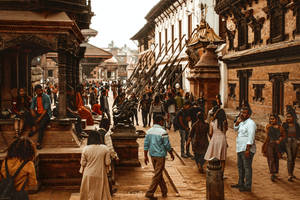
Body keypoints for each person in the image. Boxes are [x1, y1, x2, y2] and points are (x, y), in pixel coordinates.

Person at [144, 115, 174, 199]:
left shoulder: (149, 131)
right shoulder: (163, 132)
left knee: (158, 173)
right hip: (160, 155)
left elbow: (146, 145)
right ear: (160, 122)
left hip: (152, 155)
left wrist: (145, 156)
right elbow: (167, 145)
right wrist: (171, 153)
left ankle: (164, 191)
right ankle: (150, 192)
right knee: (157, 174)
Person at [79, 131, 112, 200]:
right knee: (101, 194)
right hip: (100, 174)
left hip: (88, 174)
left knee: (88, 194)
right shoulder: (105, 148)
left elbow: (83, 163)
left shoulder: (85, 149)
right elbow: (107, 163)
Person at [231, 106, 256, 192]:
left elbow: (251, 137)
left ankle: (247, 185)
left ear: (249, 114)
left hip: (246, 149)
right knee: (240, 167)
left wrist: (248, 149)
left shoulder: (251, 123)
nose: (242, 114)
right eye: (241, 112)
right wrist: (237, 123)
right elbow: (235, 129)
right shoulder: (242, 122)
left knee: (247, 167)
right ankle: (240, 183)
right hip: (239, 148)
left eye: (244, 113)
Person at [262, 114, 285, 182]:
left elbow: (283, 135)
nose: (271, 120)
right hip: (270, 144)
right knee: (270, 158)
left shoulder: (280, 128)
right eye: (270, 119)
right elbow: (267, 134)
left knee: (276, 158)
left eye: (273, 119)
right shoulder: (268, 127)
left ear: (277, 120)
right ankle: (272, 173)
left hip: (277, 145)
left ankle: (276, 173)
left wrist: (279, 140)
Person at [204, 108, 228, 173]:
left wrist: (212, 138)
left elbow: (210, 133)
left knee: (212, 156)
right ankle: (221, 174)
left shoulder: (213, 122)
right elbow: (225, 132)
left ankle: (212, 171)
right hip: (222, 139)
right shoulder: (224, 122)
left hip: (214, 139)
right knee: (222, 158)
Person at [29, 84, 52, 149]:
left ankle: (39, 143)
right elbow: (32, 107)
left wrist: (39, 118)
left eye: (40, 90)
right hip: (38, 113)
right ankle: (34, 127)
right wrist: (32, 112)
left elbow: (45, 110)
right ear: (35, 91)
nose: (39, 92)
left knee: (41, 126)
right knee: (28, 115)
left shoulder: (46, 97)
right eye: (38, 91)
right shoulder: (35, 98)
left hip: (46, 114)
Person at [282, 111, 300, 182]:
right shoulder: (285, 125)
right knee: (289, 157)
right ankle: (289, 174)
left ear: (293, 117)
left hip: (295, 142)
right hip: (287, 142)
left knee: (293, 158)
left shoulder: (296, 125)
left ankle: (292, 173)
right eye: (287, 116)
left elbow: (299, 134)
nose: (288, 118)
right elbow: (281, 133)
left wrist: (298, 140)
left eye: (290, 117)